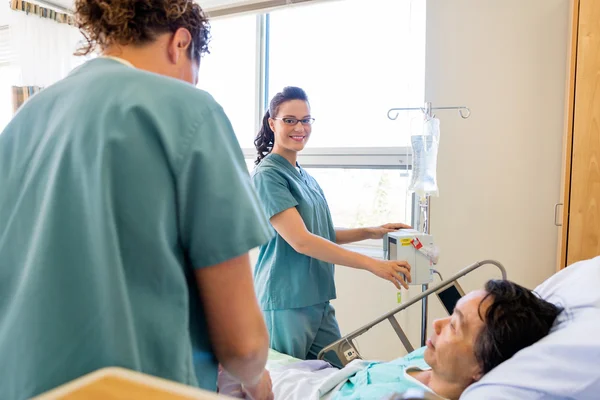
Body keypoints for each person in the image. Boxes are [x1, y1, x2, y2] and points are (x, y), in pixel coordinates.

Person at [0, 0, 274, 399]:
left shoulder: (22, 122)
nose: (191, 84)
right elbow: (244, 347)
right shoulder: (188, 110)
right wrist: (256, 378)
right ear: (181, 43)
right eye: (192, 74)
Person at [251, 86, 413, 366]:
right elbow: (301, 241)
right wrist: (372, 264)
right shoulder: (269, 176)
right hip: (286, 301)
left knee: (346, 372)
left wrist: (371, 232)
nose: (299, 127)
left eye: (305, 120)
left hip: (318, 299)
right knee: (286, 388)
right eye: (290, 120)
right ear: (272, 123)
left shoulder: (304, 176)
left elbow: (321, 233)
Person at [332, 279, 563, 400]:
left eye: (454, 325)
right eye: (451, 315)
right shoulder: (430, 357)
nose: (437, 324)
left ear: (480, 367)